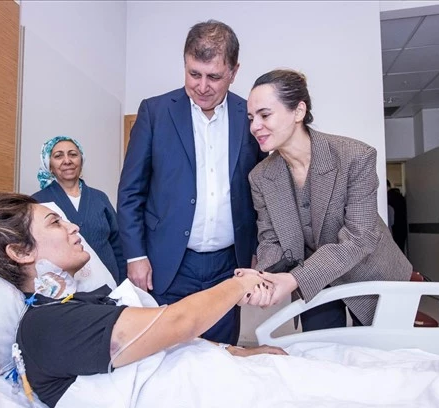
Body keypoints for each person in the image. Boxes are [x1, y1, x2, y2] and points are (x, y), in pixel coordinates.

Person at [0, 192, 285, 408]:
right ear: (21, 252)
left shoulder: (82, 301)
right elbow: (177, 322)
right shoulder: (45, 326)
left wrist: (238, 352)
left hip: (222, 380)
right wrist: (241, 285)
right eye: (55, 222)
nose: (73, 227)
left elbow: (166, 338)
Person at [117, 20, 265, 344]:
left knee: (221, 355)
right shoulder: (155, 112)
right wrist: (135, 256)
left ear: (234, 72)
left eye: (214, 76)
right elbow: (130, 192)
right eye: (193, 73)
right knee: (165, 355)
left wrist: (258, 249)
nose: (202, 86)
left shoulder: (249, 117)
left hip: (228, 265)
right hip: (167, 264)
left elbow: (263, 194)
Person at [242, 69, 412, 331]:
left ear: (298, 111)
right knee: (319, 350)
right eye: (251, 118)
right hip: (315, 281)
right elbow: (271, 239)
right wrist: (262, 278)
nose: (255, 126)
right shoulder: (260, 177)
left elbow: (360, 238)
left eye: (265, 115)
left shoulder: (355, 157)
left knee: (379, 353)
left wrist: (294, 279)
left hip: (371, 274)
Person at [32, 136, 126, 285]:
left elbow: (118, 243)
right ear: (49, 165)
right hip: (67, 288)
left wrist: (123, 282)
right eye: (58, 156)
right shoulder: (38, 202)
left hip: (110, 284)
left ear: (81, 160)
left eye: (73, 154)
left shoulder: (99, 198)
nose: (67, 161)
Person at [387, 179, 407, 252]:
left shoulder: (388, 198)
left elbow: (391, 219)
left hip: (394, 229)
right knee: (401, 249)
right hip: (403, 227)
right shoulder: (400, 197)